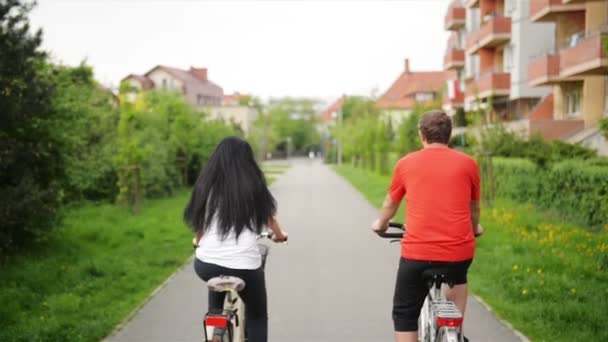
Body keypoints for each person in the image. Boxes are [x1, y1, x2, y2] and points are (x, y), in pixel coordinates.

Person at [371, 110, 483, 342]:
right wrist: (474, 229)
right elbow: (474, 208)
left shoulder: (406, 163)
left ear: (422, 135)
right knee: (457, 283)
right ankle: (455, 332)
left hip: (418, 254)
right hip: (459, 251)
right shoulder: (469, 164)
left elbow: (391, 202)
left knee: (404, 314)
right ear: (448, 135)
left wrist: (380, 224)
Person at [184, 136, 288, 342]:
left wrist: (198, 241)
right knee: (257, 316)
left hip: (206, 265)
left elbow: (199, 225)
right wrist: (280, 235)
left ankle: (214, 332)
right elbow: (270, 218)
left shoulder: (205, 186)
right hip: (244, 267)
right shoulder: (253, 186)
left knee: (215, 281)